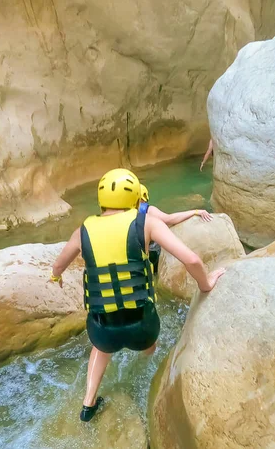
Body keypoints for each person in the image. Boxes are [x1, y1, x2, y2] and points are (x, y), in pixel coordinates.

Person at [49, 168, 225, 422]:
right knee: (148, 344)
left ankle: (88, 403)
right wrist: (206, 283)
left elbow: (57, 267)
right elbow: (192, 260)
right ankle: (145, 363)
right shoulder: (147, 222)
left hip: (103, 331)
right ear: (134, 198)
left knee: (100, 345)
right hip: (143, 329)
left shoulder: (83, 230)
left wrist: (56, 278)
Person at [139, 184, 212, 273]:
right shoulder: (148, 210)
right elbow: (169, 219)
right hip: (151, 254)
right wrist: (195, 211)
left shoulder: (119, 214)